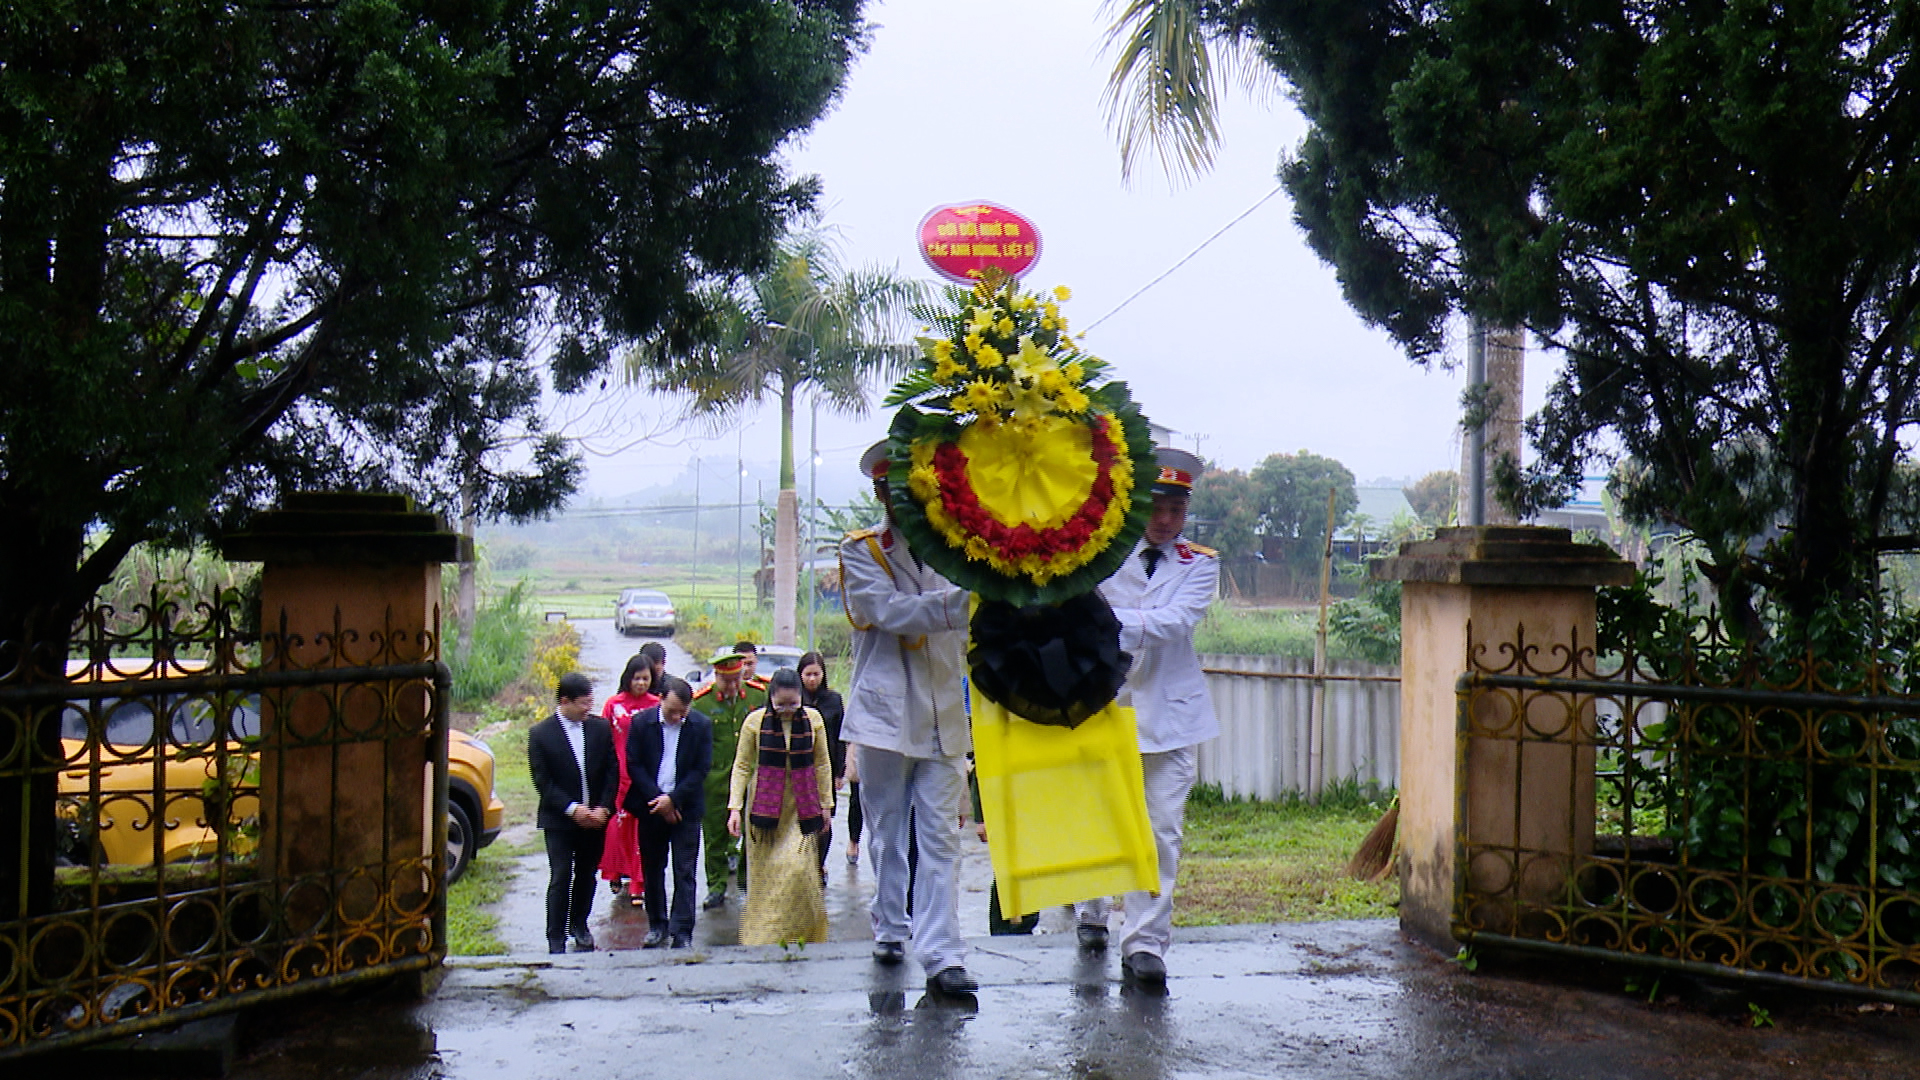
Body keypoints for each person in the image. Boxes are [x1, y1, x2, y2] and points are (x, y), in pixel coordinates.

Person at [1072, 446, 1220, 985]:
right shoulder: (1100, 554)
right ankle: (1092, 908)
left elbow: (1176, 622)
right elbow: (1082, 612)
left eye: (1175, 510)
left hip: (1171, 714)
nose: (1165, 520)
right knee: (1102, 814)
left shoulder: (1200, 564)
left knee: (1161, 830)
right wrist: (1126, 619)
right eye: (1156, 507)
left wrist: (1108, 620)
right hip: (1105, 704)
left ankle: (1147, 943)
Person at [839, 440, 978, 997]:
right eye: (889, 490)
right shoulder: (860, 551)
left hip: (945, 710)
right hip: (884, 717)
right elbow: (884, 611)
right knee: (887, 833)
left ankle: (942, 953)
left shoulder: (959, 546)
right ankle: (891, 924)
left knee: (942, 838)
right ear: (879, 494)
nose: (900, 498)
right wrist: (958, 606)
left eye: (910, 487)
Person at [726, 667, 835, 944]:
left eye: (793, 704)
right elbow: (741, 766)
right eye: (780, 704)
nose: (787, 710)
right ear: (770, 699)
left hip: (801, 805)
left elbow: (822, 764)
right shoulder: (755, 722)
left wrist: (826, 805)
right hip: (763, 809)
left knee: (797, 869)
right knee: (767, 878)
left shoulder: (813, 721)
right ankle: (765, 936)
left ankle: (803, 933)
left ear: (801, 698)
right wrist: (735, 808)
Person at [528, 672, 617, 954]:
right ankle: (555, 935)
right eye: (582, 704)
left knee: (587, 873)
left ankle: (579, 924)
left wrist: (603, 807)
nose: (587, 709)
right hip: (560, 820)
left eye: (591, 702)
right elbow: (543, 781)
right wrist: (572, 809)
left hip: (595, 819)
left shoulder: (600, 729)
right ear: (564, 701)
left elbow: (611, 771)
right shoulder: (541, 734)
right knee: (561, 874)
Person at [624, 677, 712, 949]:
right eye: (672, 710)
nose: (677, 717)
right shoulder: (641, 724)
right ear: (661, 698)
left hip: (686, 807)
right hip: (651, 807)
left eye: (682, 713)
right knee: (653, 868)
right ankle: (657, 925)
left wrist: (673, 800)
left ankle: (682, 930)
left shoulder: (700, 725)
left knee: (685, 870)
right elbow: (634, 764)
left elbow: (700, 769)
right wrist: (658, 801)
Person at [693, 647, 757, 908]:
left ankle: (746, 883)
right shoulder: (702, 703)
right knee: (715, 836)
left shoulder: (756, 695)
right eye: (725, 680)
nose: (731, 686)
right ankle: (716, 886)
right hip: (715, 780)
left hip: (750, 779)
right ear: (715, 677)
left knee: (753, 834)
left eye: (736, 679)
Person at [598, 655, 659, 903]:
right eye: (637, 678)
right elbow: (602, 736)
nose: (641, 683)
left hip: (645, 774)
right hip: (617, 774)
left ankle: (638, 882)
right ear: (628, 678)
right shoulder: (613, 704)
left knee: (641, 830)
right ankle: (614, 872)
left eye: (646, 679)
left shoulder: (657, 704)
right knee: (616, 827)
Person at [797, 650, 847, 875]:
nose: (812, 679)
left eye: (816, 674)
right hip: (799, 767)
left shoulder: (833, 700)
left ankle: (819, 863)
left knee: (824, 819)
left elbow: (839, 737)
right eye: (807, 674)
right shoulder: (794, 699)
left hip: (825, 767)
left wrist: (839, 772)